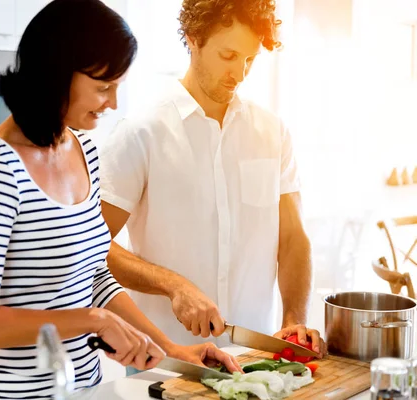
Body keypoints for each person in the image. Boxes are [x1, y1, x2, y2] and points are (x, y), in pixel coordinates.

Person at [0, 1, 241, 399]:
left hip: (84, 389)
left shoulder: (83, 149)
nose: (113, 103)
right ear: (56, 75)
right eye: (104, 87)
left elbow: (95, 276)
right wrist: (92, 321)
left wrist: (171, 350)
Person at [99, 0, 327, 364]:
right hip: (170, 364)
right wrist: (172, 285)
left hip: (256, 361)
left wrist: (293, 320)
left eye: (250, 59)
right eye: (228, 55)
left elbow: (292, 238)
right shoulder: (141, 133)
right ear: (193, 39)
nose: (239, 72)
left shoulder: (272, 133)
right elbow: (91, 246)